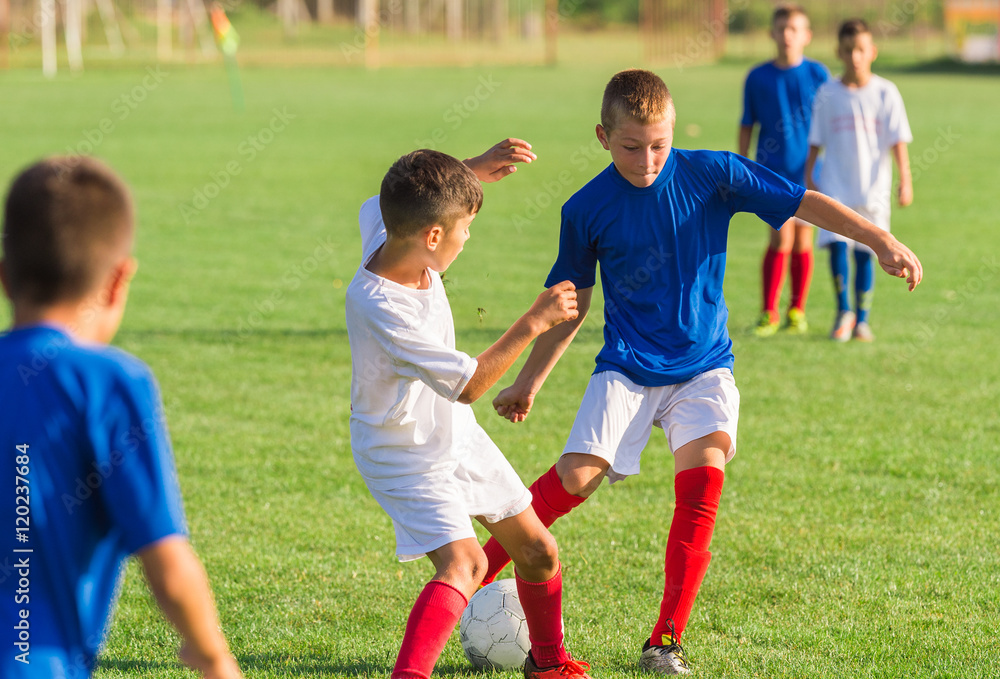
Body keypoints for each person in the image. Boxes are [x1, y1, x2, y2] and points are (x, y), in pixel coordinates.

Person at [479, 69, 922, 675]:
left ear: (673, 132)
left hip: (704, 367)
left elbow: (801, 200)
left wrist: (878, 237)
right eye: (632, 146)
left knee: (704, 481)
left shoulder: (713, 172)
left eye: (659, 143)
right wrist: (530, 381)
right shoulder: (584, 209)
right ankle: (473, 573)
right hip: (628, 369)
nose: (647, 158)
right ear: (603, 137)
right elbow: (569, 304)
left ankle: (665, 642)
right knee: (575, 479)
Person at [345, 141, 593, 679]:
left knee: (537, 552)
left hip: (452, 433)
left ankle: (547, 664)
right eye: (464, 229)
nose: (467, 238)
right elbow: (471, 384)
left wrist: (470, 173)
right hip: (401, 451)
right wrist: (533, 321)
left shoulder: (387, 226)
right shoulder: (385, 308)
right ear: (434, 236)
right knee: (467, 563)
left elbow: (404, 197)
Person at [0, 157, 242, 679]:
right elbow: (168, 567)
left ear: (4, 277)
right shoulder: (108, 383)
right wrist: (215, 658)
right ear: (117, 280)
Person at [806, 18, 914, 342]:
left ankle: (863, 319)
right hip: (835, 184)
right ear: (839, 51)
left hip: (873, 188)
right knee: (837, 244)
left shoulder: (885, 92)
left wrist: (905, 179)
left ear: (873, 52)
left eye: (861, 50)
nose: (855, 56)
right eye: (849, 50)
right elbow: (816, 140)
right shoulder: (827, 92)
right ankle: (843, 313)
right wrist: (810, 174)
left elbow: (898, 141)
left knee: (869, 248)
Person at [739, 4, 829, 336]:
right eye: (782, 29)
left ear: (806, 35)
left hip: (809, 173)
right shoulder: (758, 76)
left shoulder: (819, 75)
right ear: (772, 34)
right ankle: (768, 313)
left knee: (804, 241)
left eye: (795, 29)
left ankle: (796, 311)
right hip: (770, 174)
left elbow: (830, 124)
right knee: (780, 239)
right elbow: (747, 124)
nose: (787, 35)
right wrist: (741, 165)